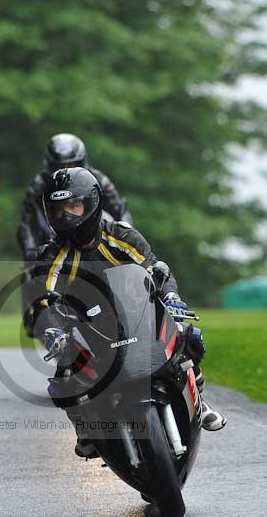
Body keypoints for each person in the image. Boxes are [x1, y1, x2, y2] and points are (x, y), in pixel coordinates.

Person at [35, 167, 226, 458]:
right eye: (59, 210)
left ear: (92, 203)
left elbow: (156, 269)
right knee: (64, 370)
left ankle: (200, 400)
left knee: (188, 336)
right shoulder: (52, 255)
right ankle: (85, 428)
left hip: (138, 313)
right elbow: (43, 299)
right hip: (89, 323)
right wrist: (54, 329)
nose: (68, 216)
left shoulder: (122, 236)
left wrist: (171, 297)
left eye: (74, 206)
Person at [16, 132, 133, 262]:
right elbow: (27, 224)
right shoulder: (37, 187)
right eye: (58, 167)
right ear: (49, 166)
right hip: (52, 243)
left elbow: (119, 210)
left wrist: (126, 238)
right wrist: (31, 254)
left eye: (71, 165)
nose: (65, 170)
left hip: (96, 241)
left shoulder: (98, 180)